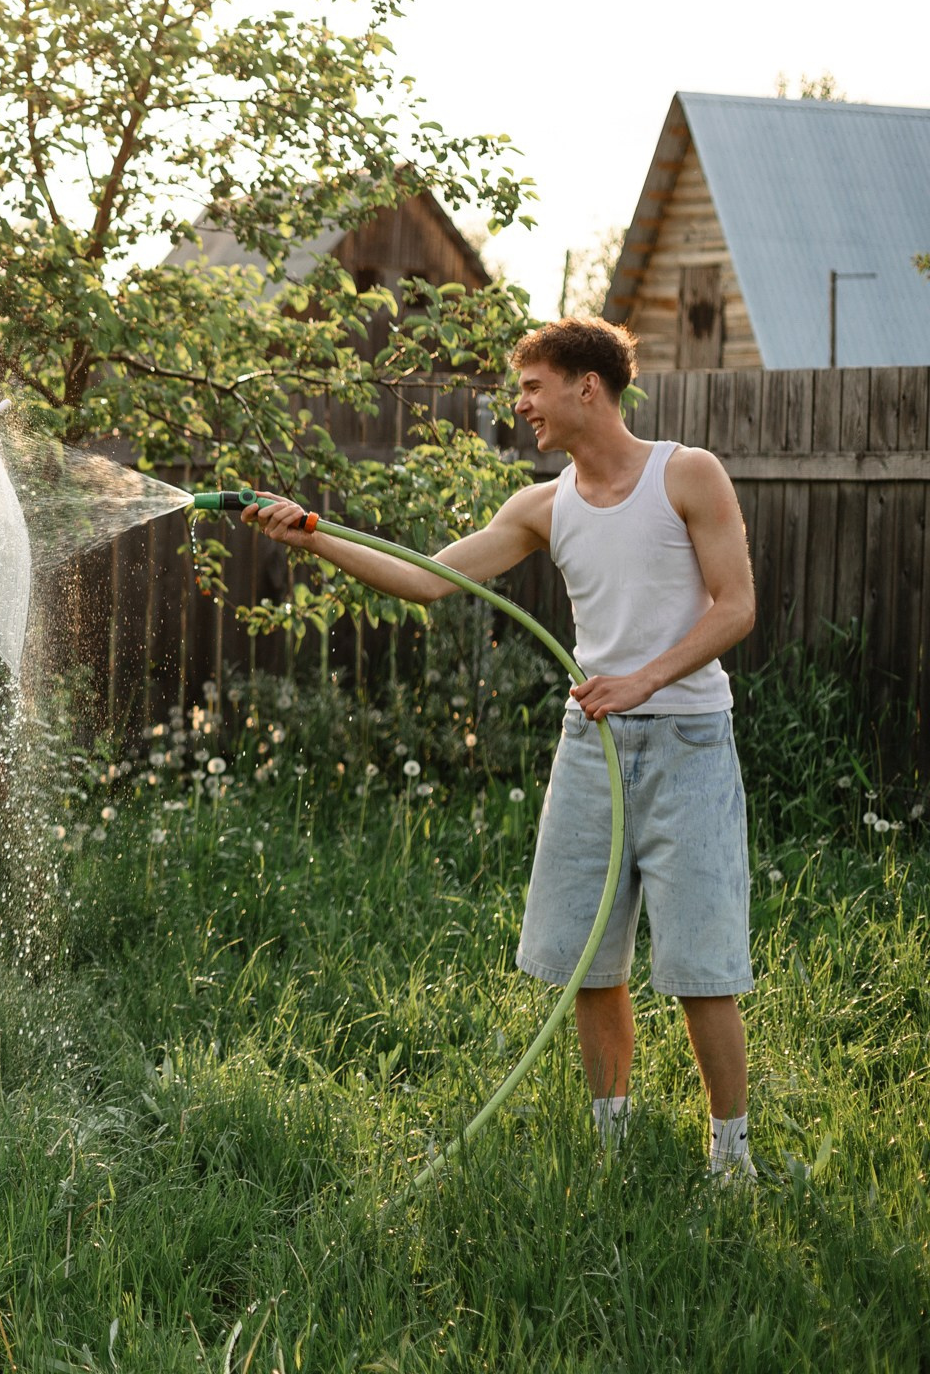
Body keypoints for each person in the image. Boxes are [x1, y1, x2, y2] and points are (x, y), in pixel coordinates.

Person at [243, 317, 759, 1178]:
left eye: (531, 387)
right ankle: (610, 1140)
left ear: (586, 387)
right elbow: (421, 583)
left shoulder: (687, 474)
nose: (520, 405)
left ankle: (731, 1160)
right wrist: (314, 537)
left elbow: (735, 606)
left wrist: (644, 680)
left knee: (703, 965)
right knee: (591, 959)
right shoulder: (542, 506)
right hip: (591, 744)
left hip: (687, 739)